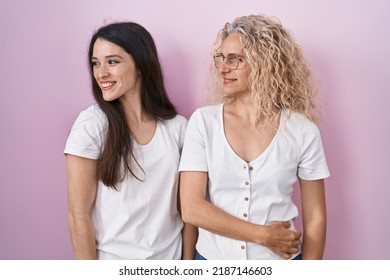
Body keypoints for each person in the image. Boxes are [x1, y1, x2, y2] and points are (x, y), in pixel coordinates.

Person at [179, 14, 330, 260]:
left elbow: (315, 217)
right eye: (221, 57)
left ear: (265, 63)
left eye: (235, 59)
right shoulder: (204, 122)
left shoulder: (303, 131)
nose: (222, 68)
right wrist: (263, 236)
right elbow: (192, 209)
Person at [64, 22, 192, 260]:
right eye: (95, 63)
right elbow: (77, 215)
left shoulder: (178, 128)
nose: (101, 73)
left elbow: (188, 211)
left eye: (112, 61)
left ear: (141, 65)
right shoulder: (91, 125)